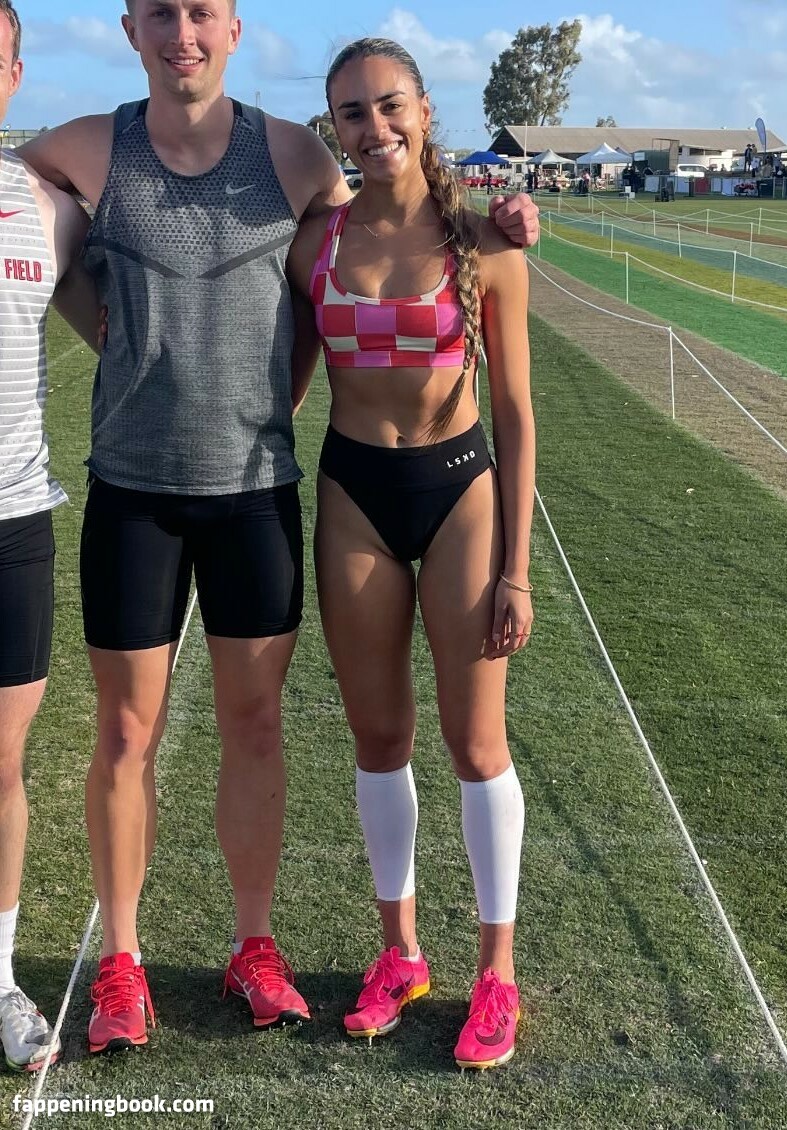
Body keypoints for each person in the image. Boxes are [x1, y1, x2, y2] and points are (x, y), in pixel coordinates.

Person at [19, 0, 539, 1056]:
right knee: (174, 733)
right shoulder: (109, 156)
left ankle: (366, 957)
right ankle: (153, 959)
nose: (183, 32)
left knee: (350, 731)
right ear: (130, 29)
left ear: (235, 28)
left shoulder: (340, 178)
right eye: (161, 13)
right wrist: (99, 315)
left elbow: (490, 376)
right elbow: (23, 197)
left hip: (314, 488)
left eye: (202, 12)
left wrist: (508, 215)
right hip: (183, 485)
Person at [287, 38, 534, 1071]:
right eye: (352, 112)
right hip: (354, 493)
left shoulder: (487, 242)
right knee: (379, 735)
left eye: (390, 105)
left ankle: (496, 972)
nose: (374, 126)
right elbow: (284, 381)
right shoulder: (314, 243)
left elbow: (515, 412)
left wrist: (516, 567)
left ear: (425, 110)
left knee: (476, 742)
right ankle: (401, 953)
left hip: (461, 491)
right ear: (334, 127)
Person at [0, 0, 99, 1073]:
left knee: (2, 762)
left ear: (15, 74)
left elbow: (125, 326)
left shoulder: (46, 209)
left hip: (14, 520)